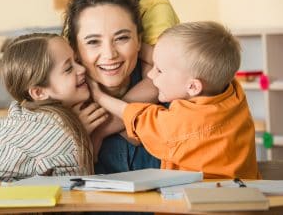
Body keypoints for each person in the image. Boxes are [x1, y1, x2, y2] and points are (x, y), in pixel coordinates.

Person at [88, 21, 260, 179]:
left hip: (199, 203)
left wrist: (99, 96)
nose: (151, 74)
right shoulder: (233, 92)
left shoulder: (181, 126)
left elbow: (136, 116)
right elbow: (175, 61)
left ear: (193, 87)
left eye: (160, 70)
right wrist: (134, 46)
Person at [0, 33, 102, 184]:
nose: (82, 69)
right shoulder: (62, 135)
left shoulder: (23, 112)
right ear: (39, 92)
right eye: (69, 68)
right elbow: (76, 196)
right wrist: (76, 133)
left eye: (77, 60)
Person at [63, 0, 160, 174]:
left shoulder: (173, 92)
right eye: (93, 42)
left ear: (139, 41)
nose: (109, 54)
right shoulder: (62, 108)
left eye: (122, 38)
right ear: (74, 48)